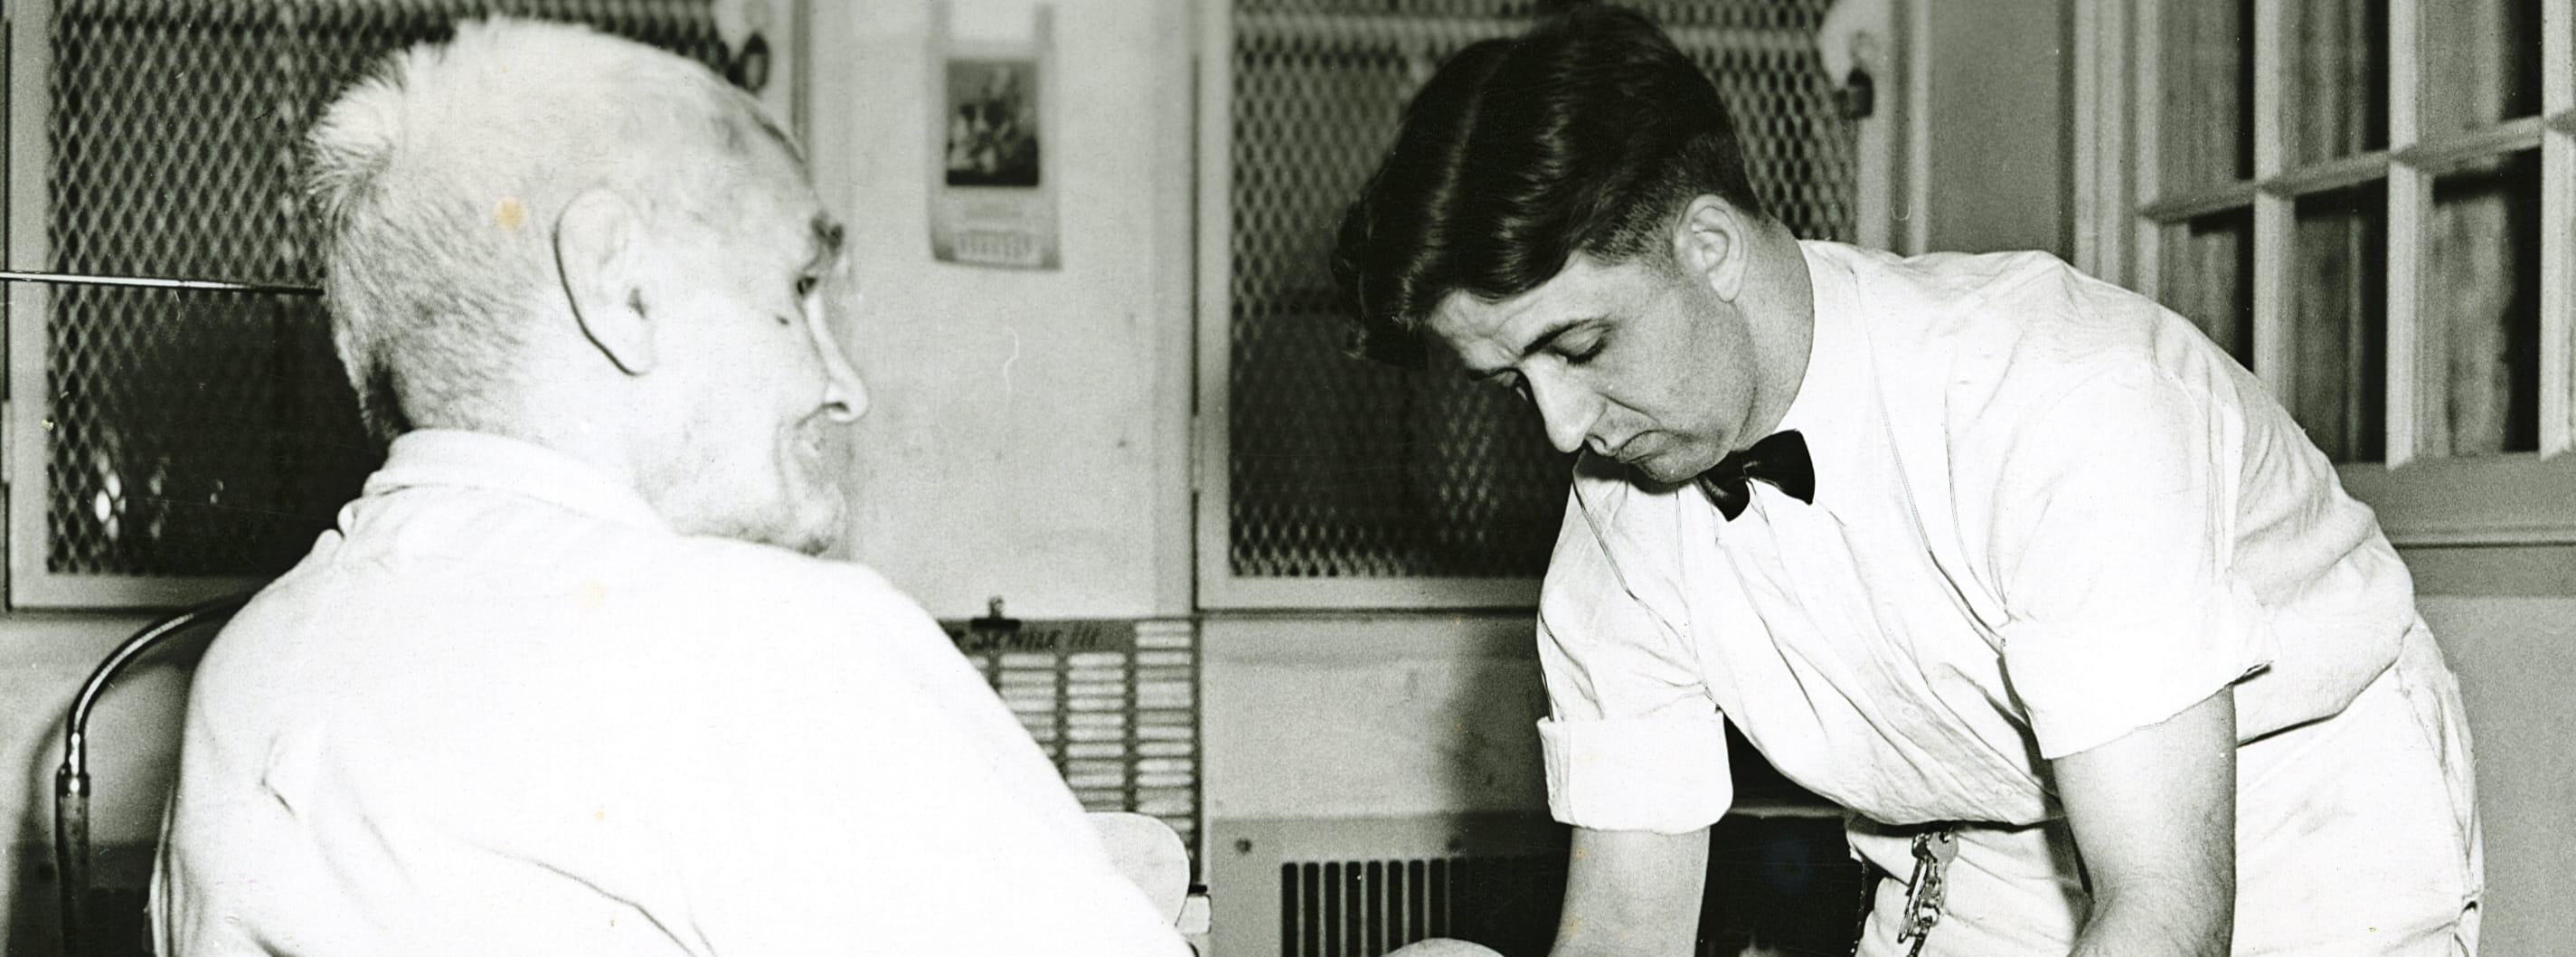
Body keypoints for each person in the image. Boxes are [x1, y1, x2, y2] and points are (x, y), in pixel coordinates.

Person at [1336, 6, 2479, 957]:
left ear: (1706, 246)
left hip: (2290, 817)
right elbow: (1628, 920)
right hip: (1972, 845)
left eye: (1579, 348)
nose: (1560, 428)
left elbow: (2164, 906)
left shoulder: (2056, 396)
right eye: (1507, 381)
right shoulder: (1621, 513)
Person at [149, 20, 1190, 957]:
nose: (845, 386)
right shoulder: (772, 644)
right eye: (798, 287)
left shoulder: (251, 664)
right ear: (621, 284)